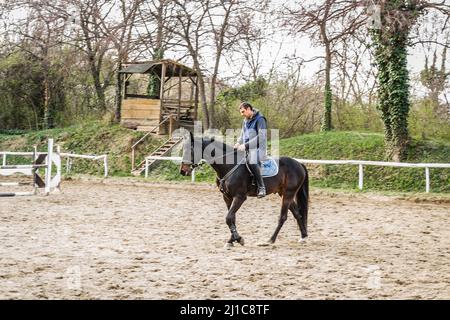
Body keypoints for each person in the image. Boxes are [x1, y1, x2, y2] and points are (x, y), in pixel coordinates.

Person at [234, 102, 267, 198]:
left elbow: (261, 137)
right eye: (241, 112)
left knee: (252, 161)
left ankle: (262, 187)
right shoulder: (245, 120)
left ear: (249, 109)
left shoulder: (260, 119)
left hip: (259, 149)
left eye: (243, 111)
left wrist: (246, 145)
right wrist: (238, 143)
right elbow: (242, 135)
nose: (242, 114)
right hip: (247, 148)